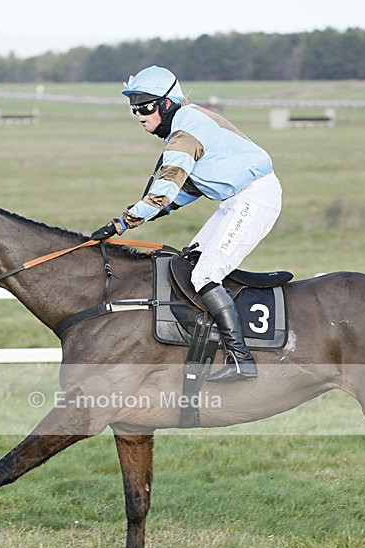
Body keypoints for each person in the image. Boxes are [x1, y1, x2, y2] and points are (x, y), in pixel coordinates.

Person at [91, 65, 282, 382]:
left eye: (145, 105)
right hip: (235, 199)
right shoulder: (186, 122)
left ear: (166, 104)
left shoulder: (184, 133)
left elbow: (163, 192)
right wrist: (159, 208)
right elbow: (188, 189)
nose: (139, 114)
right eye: (134, 106)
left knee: (206, 273)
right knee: (190, 261)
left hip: (253, 197)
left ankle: (241, 359)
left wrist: (120, 225)